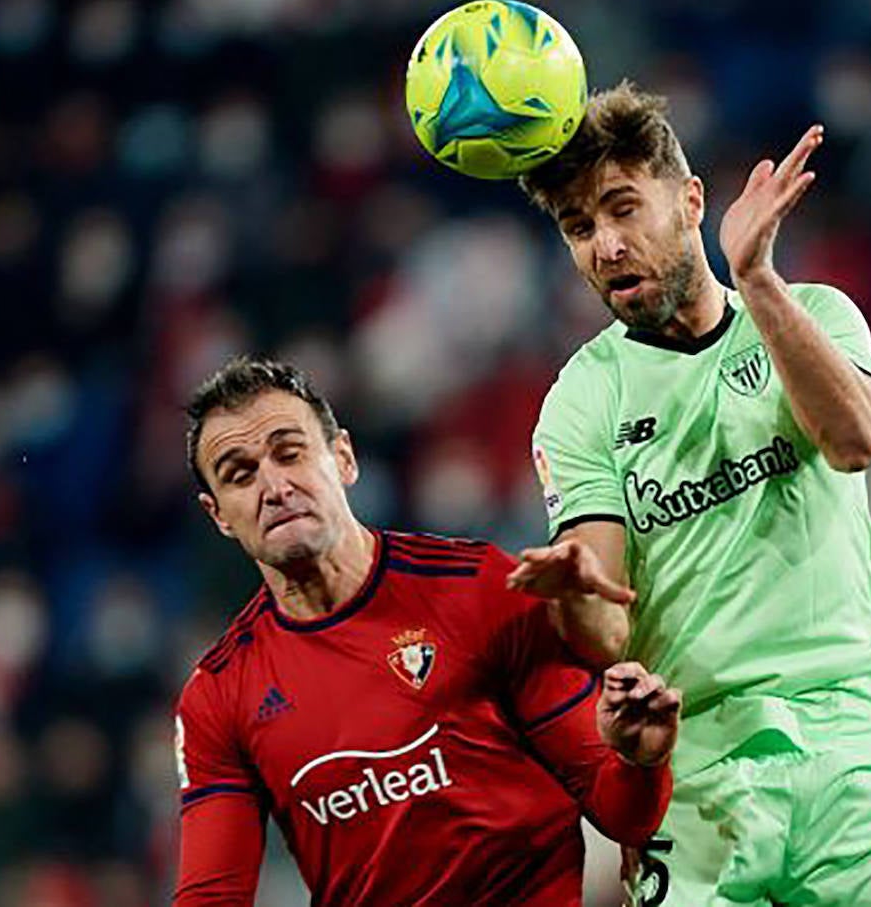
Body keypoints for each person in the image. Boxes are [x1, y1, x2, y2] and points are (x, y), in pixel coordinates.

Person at [507, 82, 871, 906]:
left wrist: (759, 279)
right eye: (579, 227)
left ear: (690, 201)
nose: (605, 246)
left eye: (622, 208)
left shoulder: (816, 313)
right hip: (693, 772)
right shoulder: (583, 398)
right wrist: (572, 595)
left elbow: (855, 440)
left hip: (849, 745)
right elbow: (605, 621)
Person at [172, 356, 682, 906]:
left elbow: (621, 812)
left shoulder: (477, 590)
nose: (274, 487)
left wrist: (639, 761)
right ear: (218, 514)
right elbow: (211, 896)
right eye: (239, 474)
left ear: (343, 458)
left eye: (289, 453)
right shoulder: (220, 694)